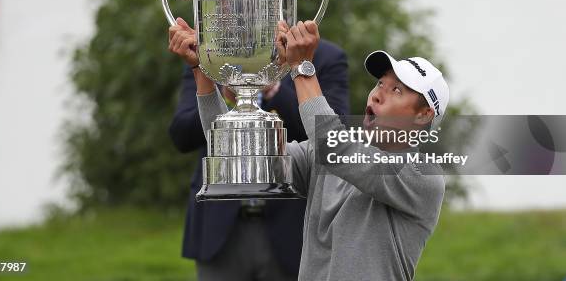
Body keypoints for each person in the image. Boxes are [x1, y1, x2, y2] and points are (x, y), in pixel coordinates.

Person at [169, 18, 448, 281]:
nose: (377, 93)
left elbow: (335, 148)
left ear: (423, 115)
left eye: (397, 90)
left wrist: (301, 67)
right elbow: (235, 153)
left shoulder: (423, 175)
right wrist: (201, 71)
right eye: (380, 83)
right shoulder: (321, 154)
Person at [168, 18, 349, 280]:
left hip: (292, 226)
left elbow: (336, 139)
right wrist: (220, 91)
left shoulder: (325, 57)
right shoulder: (209, 54)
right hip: (221, 230)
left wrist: (273, 87)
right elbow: (181, 135)